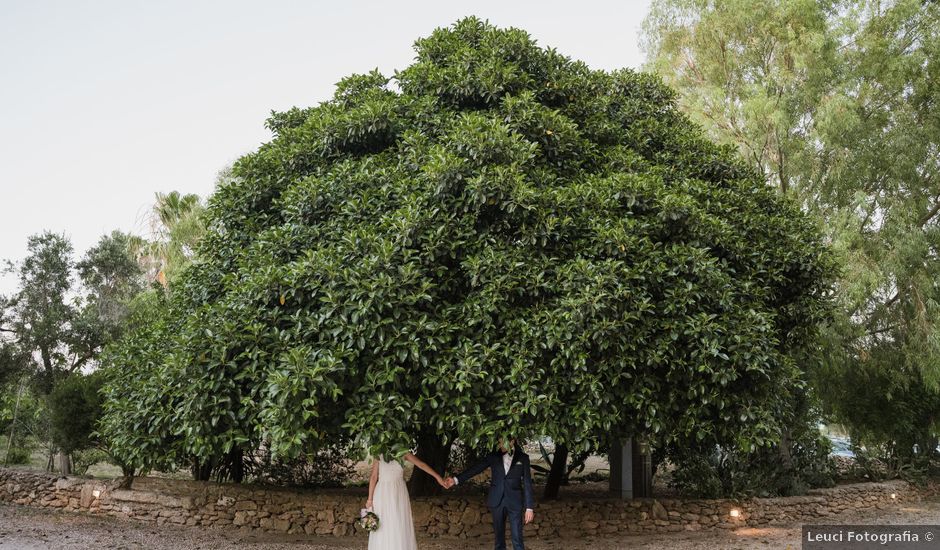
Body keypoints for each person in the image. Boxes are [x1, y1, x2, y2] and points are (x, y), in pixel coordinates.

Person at [444, 439, 535, 550]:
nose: (501, 445)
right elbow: (476, 469)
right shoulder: (493, 456)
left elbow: (527, 483)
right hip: (497, 500)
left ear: (513, 441)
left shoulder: (523, 458)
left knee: (517, 539)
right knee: (499, 540)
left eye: (504, 442)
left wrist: (529, 507)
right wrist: (455, 480)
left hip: (514, 501)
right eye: (499, 442)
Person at [365, 452, 446, 550]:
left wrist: (438, 477)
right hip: (382, 492)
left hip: (398, 493)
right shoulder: (379, 452)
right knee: (382, 523)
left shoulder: (403, 452)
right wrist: (370, 499)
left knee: (398, 523)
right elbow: (374, 477)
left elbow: (421, 464)